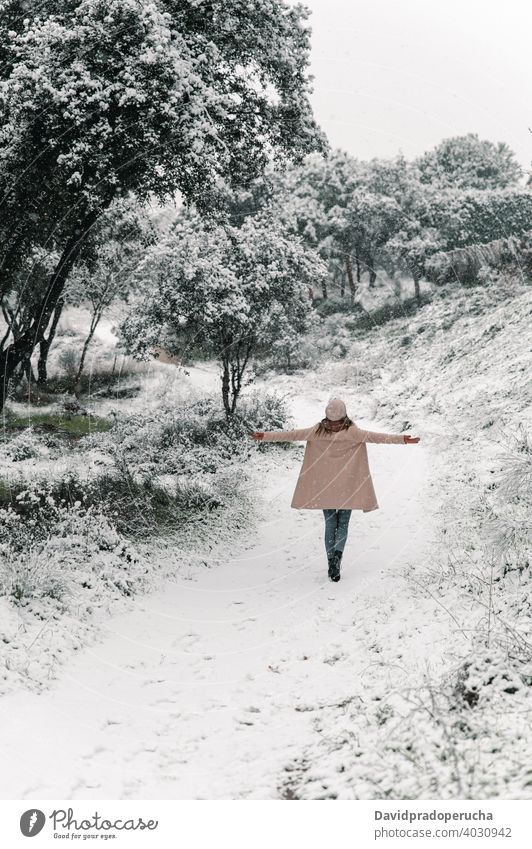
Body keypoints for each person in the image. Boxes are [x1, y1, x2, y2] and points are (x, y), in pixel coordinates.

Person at [248, 398, 420, 582]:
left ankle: (331, 559)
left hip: (325, 488)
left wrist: (265, 436)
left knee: (330, 524)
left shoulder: (316, 431)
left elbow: (292, 435)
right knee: (343, 524)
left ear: (326, 415)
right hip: (347, 487)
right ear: (345, 415)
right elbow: (377, 437)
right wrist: (403, 440)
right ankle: (338, 556)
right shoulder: (353, 432)